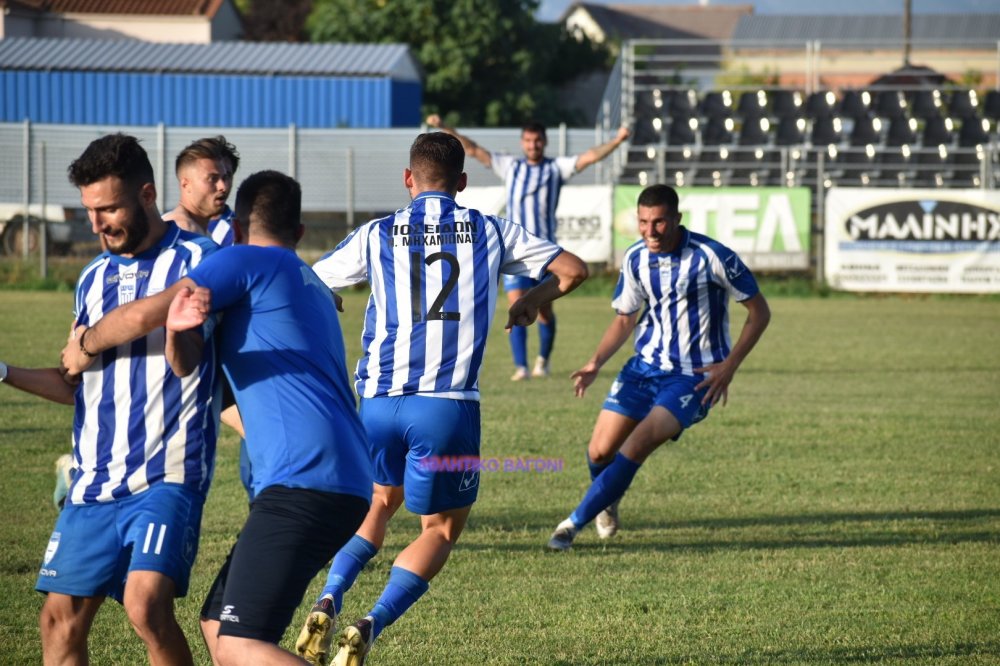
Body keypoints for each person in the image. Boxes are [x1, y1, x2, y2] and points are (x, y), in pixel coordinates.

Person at [296, 132, 588, 666]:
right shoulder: (489, 229)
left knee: (380, 501)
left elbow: (309, 281)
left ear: (409, 180)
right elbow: (573, 270)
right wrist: (531, 303)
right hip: (447, 405)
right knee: (441, 528)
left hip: (377, 402)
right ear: (462, 184)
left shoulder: (377, 232)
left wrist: (333, 298)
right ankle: (369, 623)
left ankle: (328, 597)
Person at [62, 170, 374, 666]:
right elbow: (186, 352)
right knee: (215, 625)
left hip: (306, 480)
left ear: (240, 225)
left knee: (239, 643)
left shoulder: (243, 259)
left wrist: (85, 345)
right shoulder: (307, 279)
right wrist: (179, 332)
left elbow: (150, 311)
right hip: (340, 478)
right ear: (297, 232)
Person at [3, 133, 220, 664]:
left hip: (167, 476)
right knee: (58, 621)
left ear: (147, 195)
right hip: (93, 481)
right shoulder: (92, 279)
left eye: (109, 209)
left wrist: (97, 340)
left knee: (145, 606)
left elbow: (189, 359)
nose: (97, 224)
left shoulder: (202, 259)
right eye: (90, 211)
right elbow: (73, 382)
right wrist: (4, 371)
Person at [546, 183, 771, 551]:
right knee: (599, 453)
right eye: (643, 222)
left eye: (659, 222)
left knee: (637, 445)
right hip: (643, 369)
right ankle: (607, 500)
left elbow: (760, 312)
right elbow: (624, 319)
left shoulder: (713, 256)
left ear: (677, 219)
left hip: (694, 378)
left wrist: (729, 366)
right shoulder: (635, 258)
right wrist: (595, 362)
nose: (650, 231)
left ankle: (570, 526)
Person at [426, 113, 629, 381]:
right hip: (515, 251)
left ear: (544, 143)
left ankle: (542, 360)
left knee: (544, 309)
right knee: (515, 301)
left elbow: (590, 156)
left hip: (544, 252)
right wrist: (443, 127)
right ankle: (521, 366)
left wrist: (617, 140)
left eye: (537, 141)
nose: (533, 145)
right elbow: (473, 149)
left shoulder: (556, 168)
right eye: (529, 141)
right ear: (523, 143)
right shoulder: (510, 166)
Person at [162, 135, 240, 247]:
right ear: (186, 184)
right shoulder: (182, 230)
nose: (223, 186)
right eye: (212, 178)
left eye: (225, 177)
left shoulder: (200, 230)